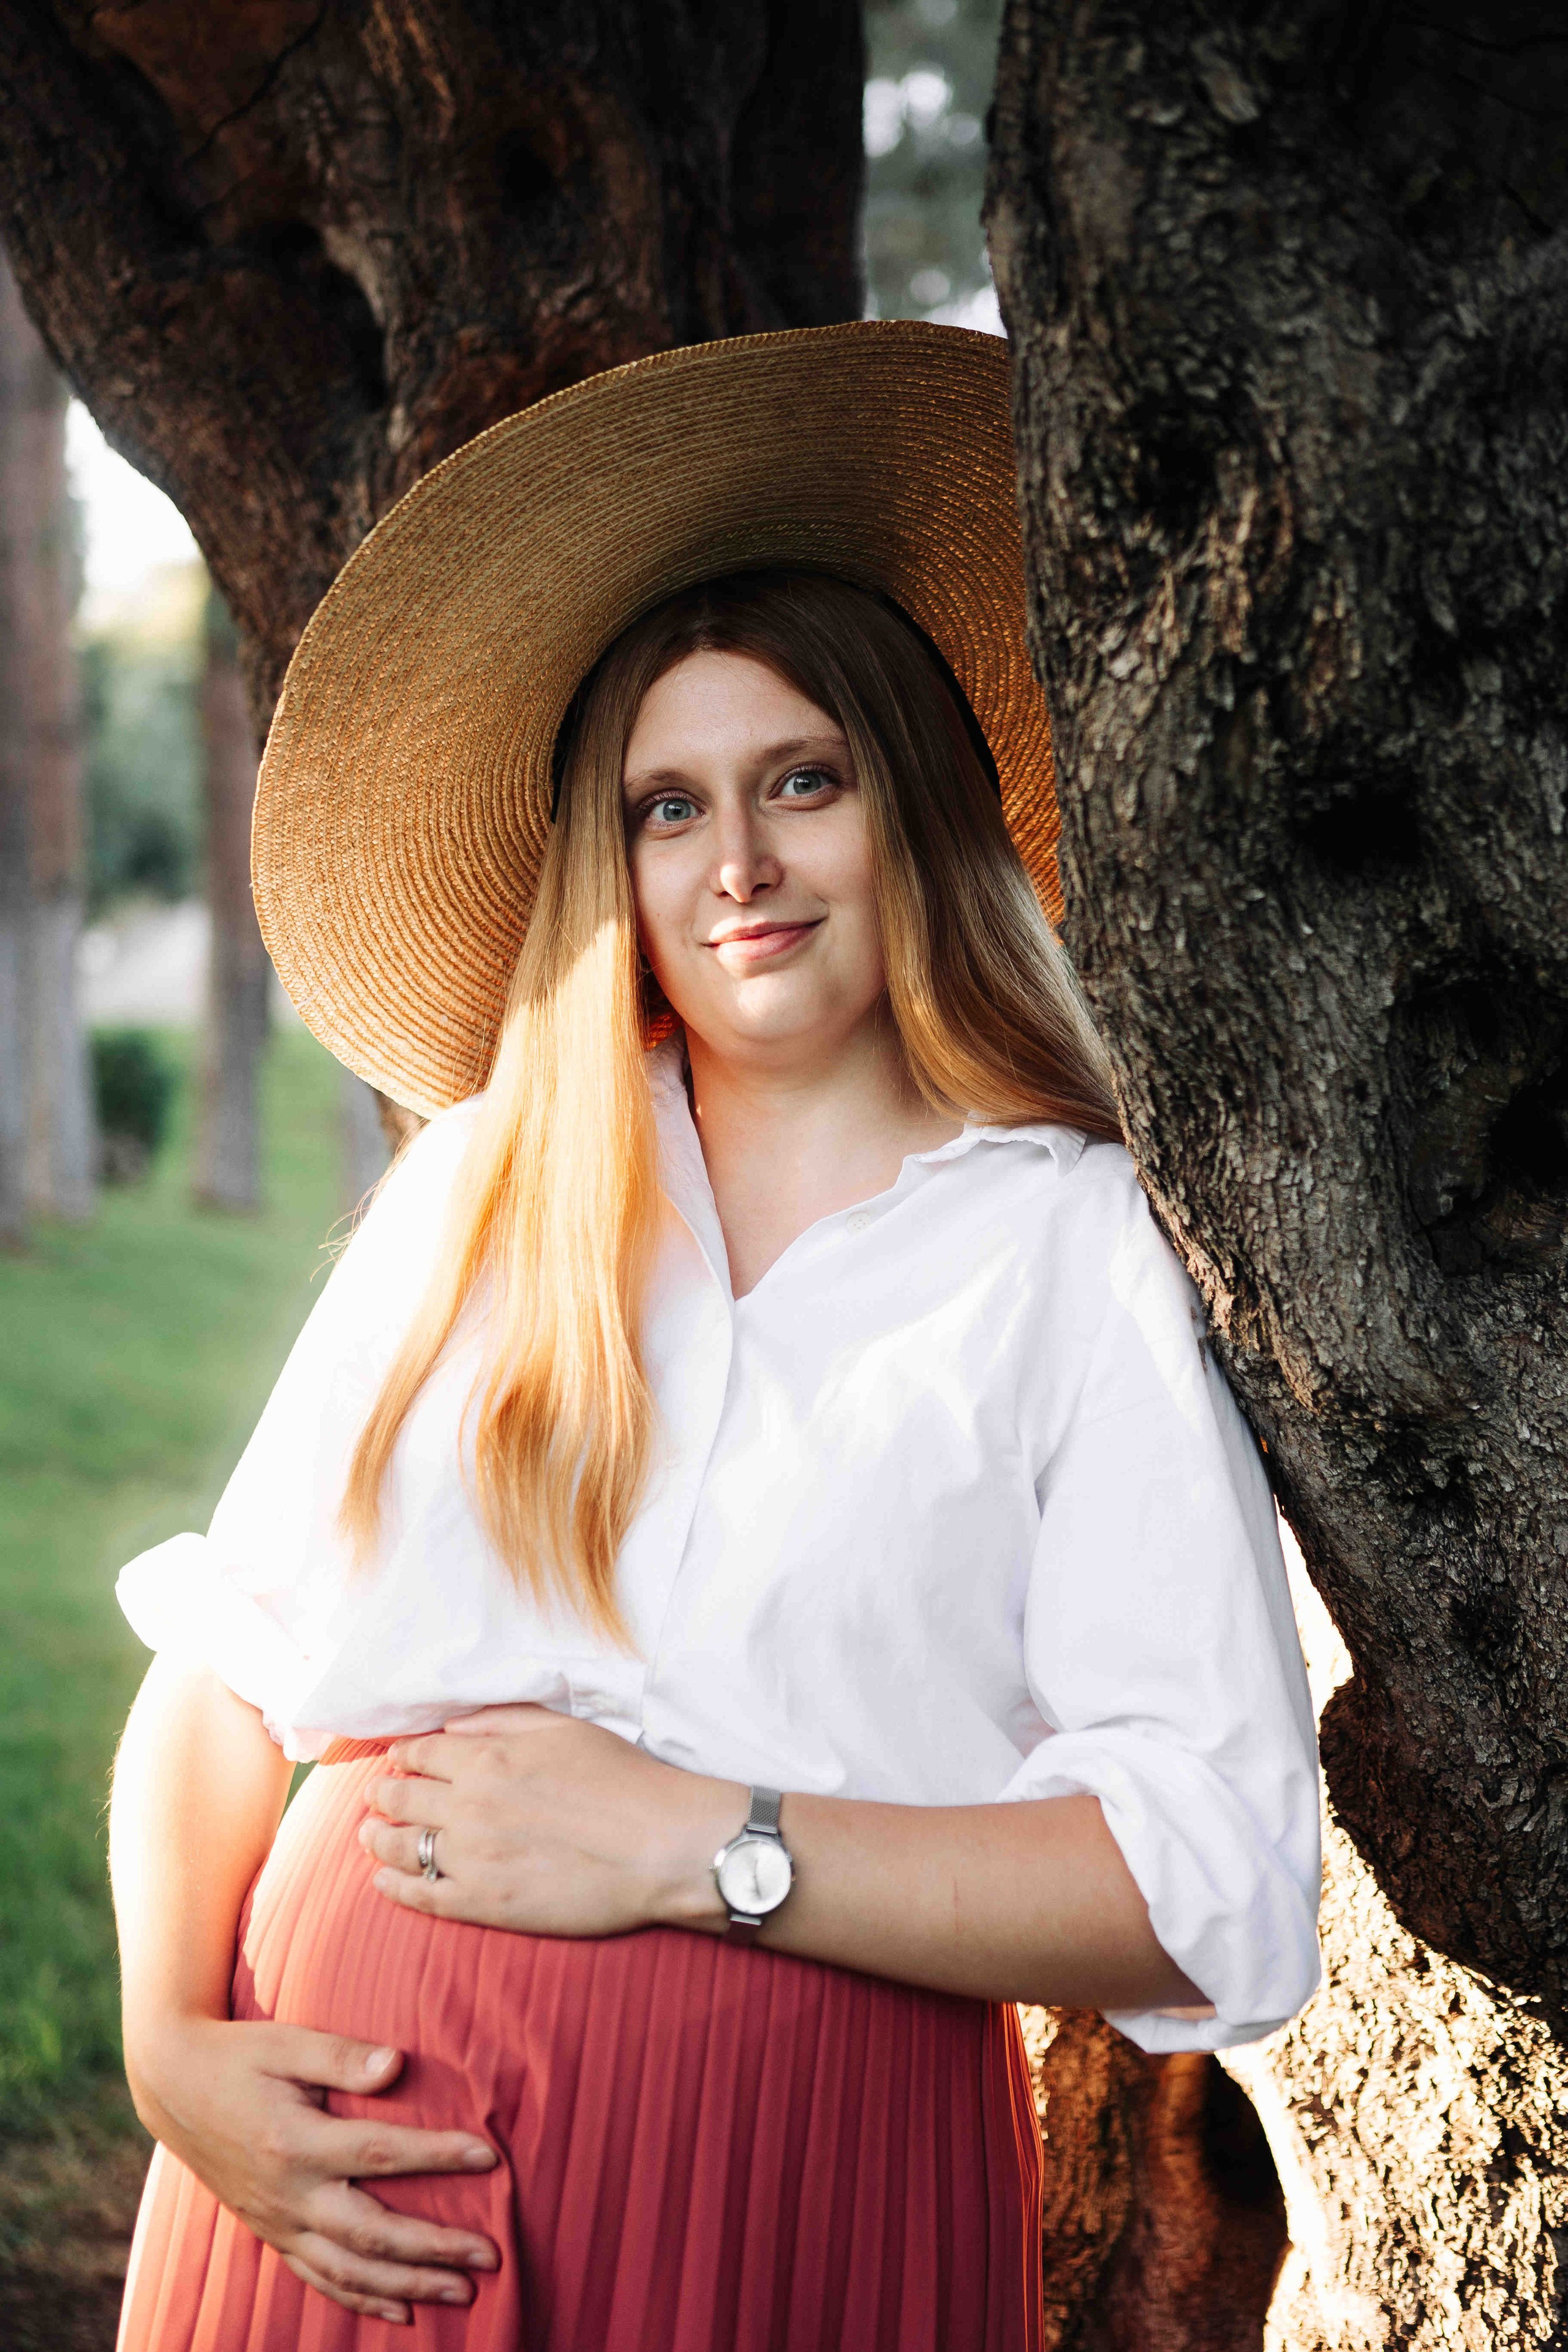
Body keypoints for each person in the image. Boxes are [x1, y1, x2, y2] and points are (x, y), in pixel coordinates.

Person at [108, 321, 1321, 2352]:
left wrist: (712, 1852)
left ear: (913, 807)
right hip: (337, 2183)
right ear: (615, 865)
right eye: (667, 808)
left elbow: (1206, 1881)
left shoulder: (1071, 1248)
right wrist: (167, 2050)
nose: (738, 864)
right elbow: (228, 1676)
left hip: (796, 2189)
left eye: (801, 782)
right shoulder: (485, 1185)